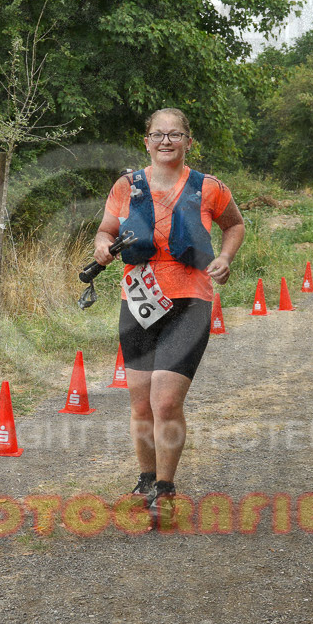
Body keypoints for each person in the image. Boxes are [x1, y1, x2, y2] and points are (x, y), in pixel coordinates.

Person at [93, 107, 245, 512]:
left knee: (164, 402)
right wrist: (101, 247)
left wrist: (226, 258)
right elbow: (106, 230)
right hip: (139, 302)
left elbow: (235, 225)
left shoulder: (209, 187)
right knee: (140, 403)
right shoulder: (127, 186)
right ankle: (145, 481)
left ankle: (165, 487)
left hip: (190, 301)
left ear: (188, 141)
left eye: (175, 135)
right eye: (158, 134)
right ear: (146, 140)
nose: (166, 141)